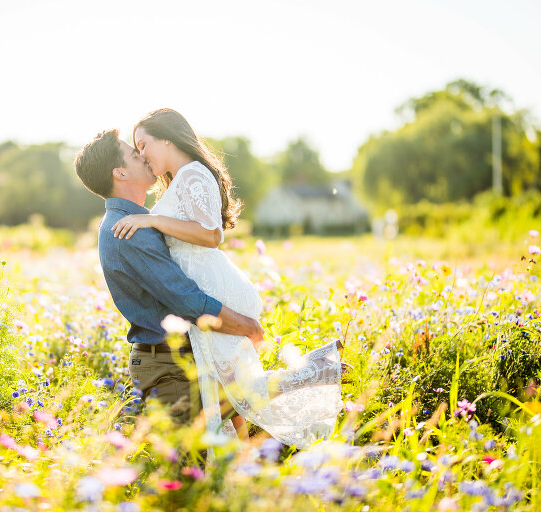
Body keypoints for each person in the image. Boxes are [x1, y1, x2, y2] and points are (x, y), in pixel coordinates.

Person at [111, 108, 342, 447]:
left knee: (239, 392)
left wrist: (152, 221)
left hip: (214, 287)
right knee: (229, 393)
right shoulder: (180, 179)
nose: (142, 156)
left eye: (143, 145)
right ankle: (246, 458)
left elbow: (211, 234)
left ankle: (319, 371)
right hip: (206, 285)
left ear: (167, 138)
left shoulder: (192, 173)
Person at [74, 129, 264, 424]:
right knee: (190, 466)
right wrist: (246, 326)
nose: (144, 157)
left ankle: (318, 372)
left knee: (232, 442)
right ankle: (317, 372)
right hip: (169, 368)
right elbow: (184, 299)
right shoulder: (127, 231)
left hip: (179, 360)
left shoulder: (140, 220)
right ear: (120, 173)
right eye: (135, 154)